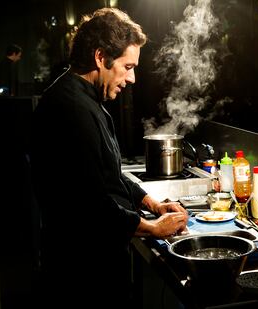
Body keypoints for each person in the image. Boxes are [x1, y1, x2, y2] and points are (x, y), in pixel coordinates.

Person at [29, 8, 188, 308]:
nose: (133, 78)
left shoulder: (86, 99)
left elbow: (109, 175)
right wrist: (153, 227)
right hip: (80, 275)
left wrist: (150, 203)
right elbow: (91, 207)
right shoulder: (70, 109)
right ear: (101, 58)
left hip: (94, 265)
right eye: (128, 66)